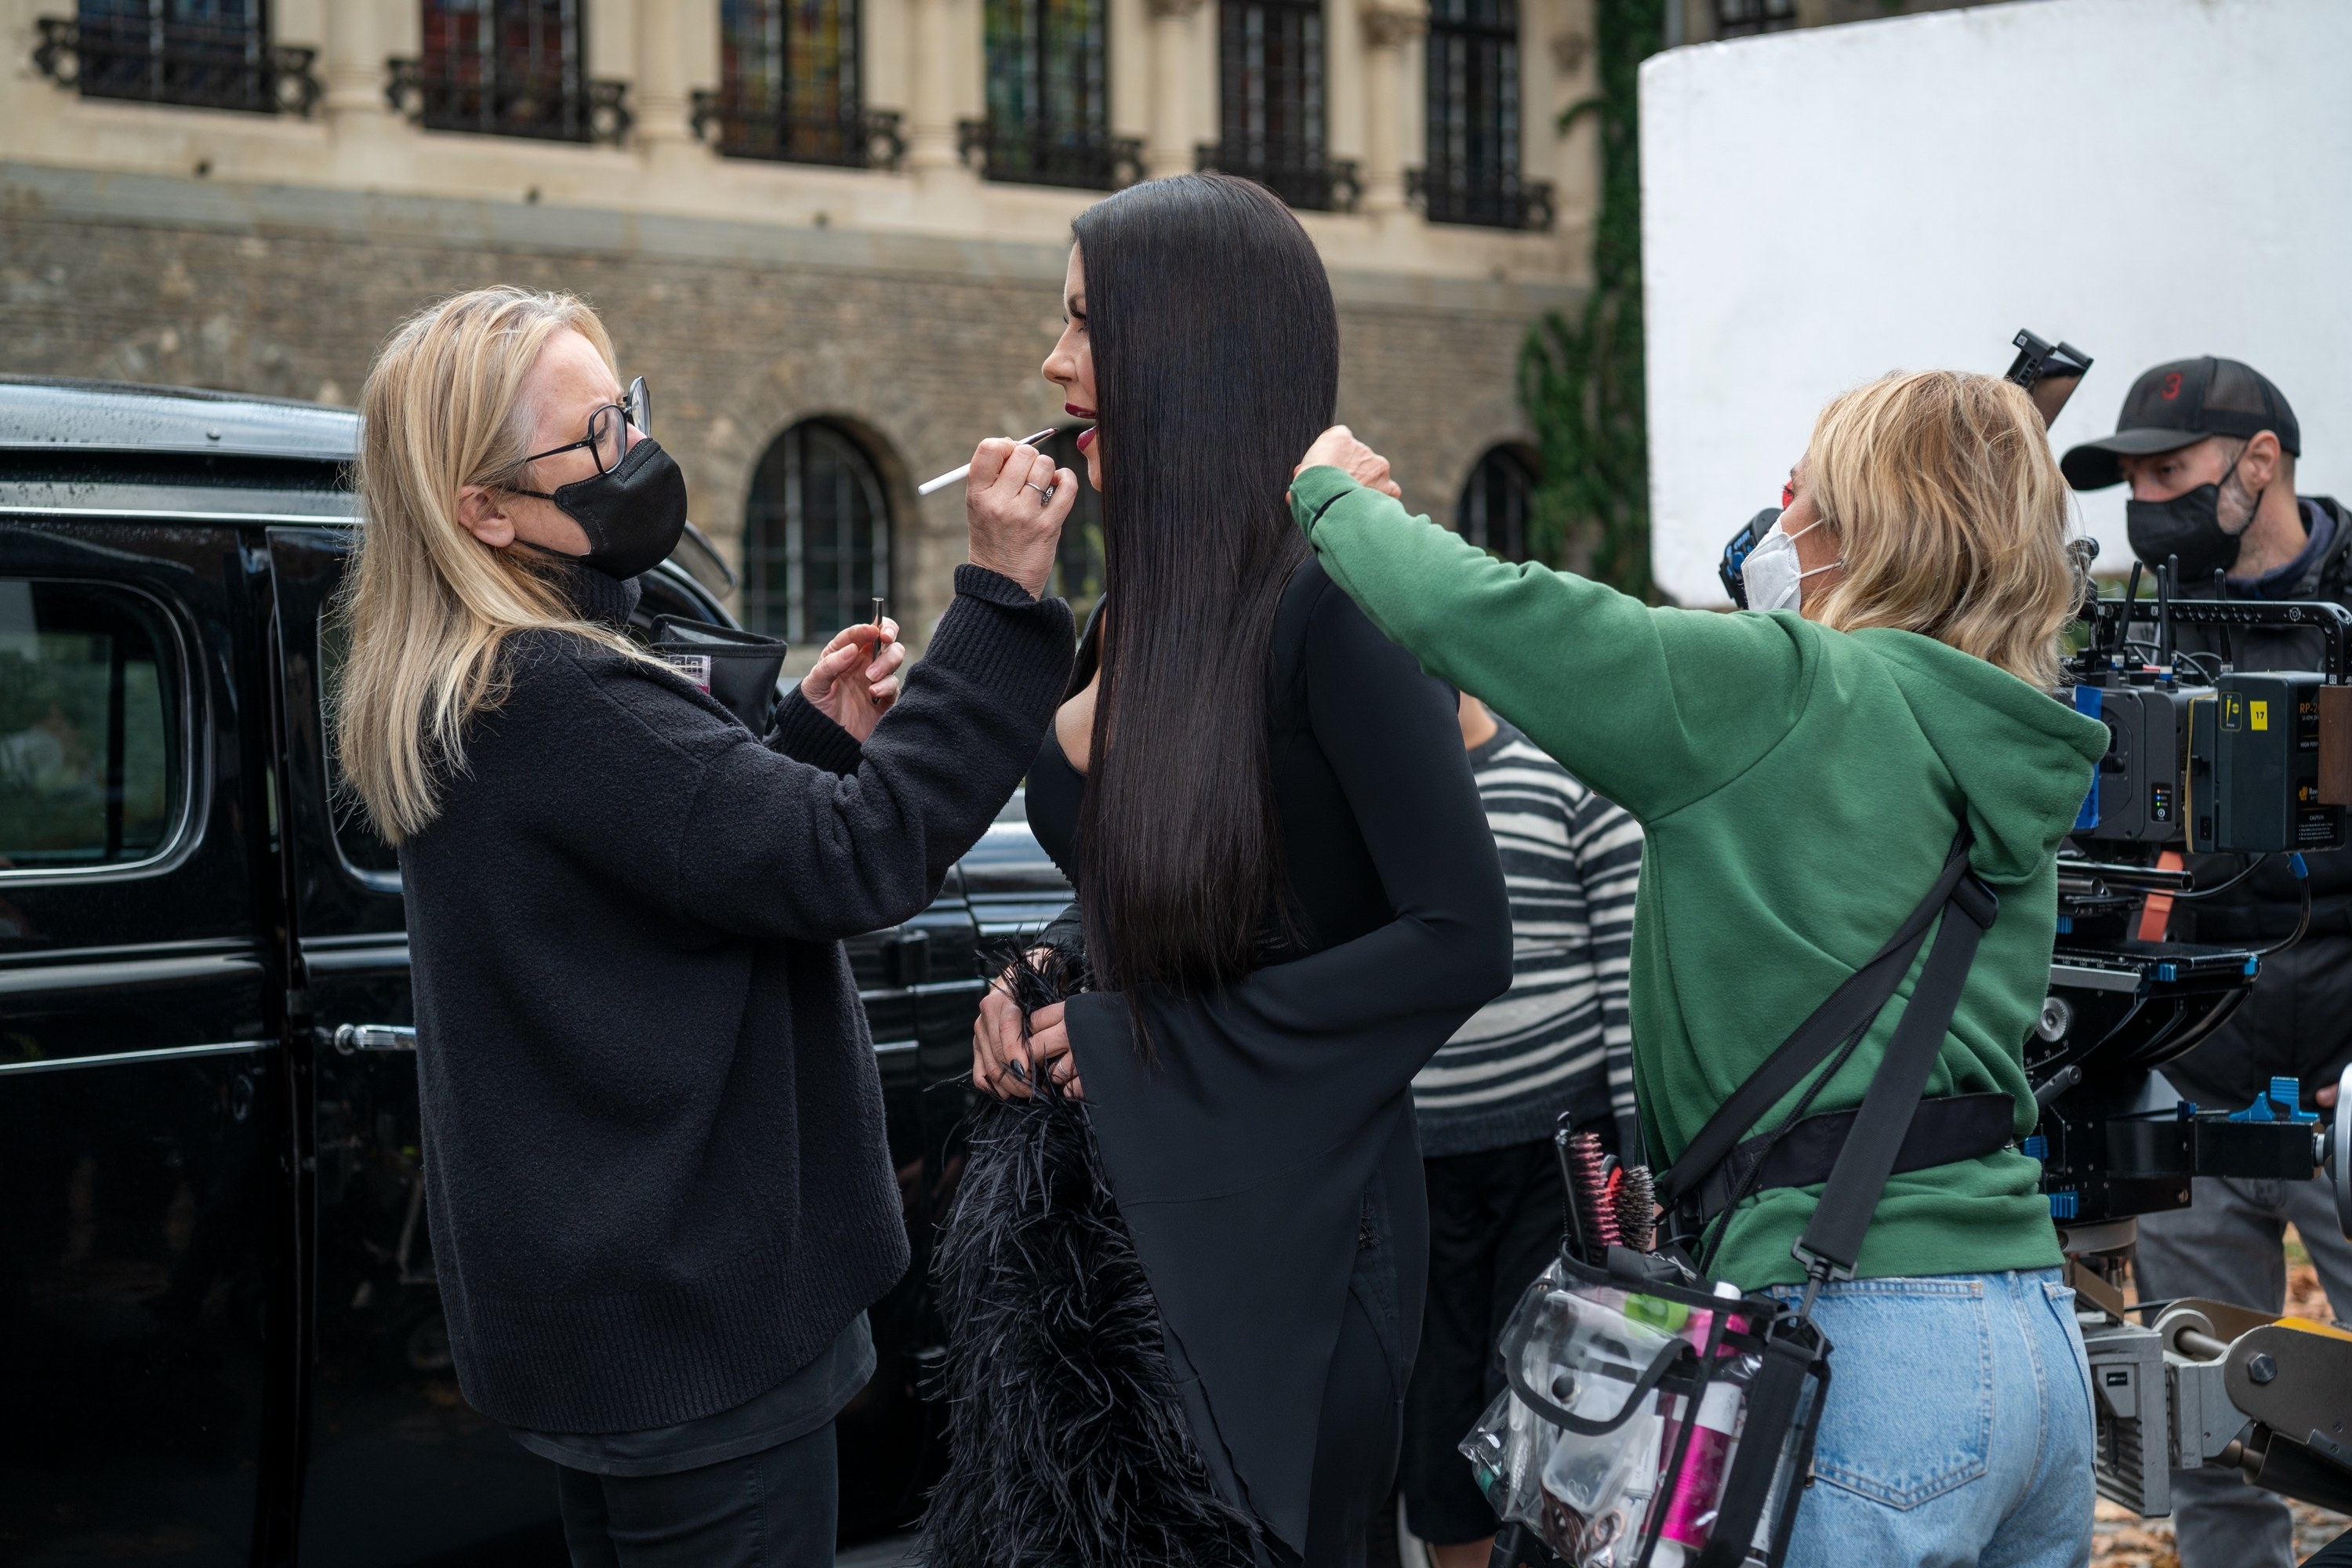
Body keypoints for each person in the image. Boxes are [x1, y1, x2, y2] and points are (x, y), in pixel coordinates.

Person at [1286, 369, 2106, 1568]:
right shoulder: (2015, 731)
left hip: (1856, 1343)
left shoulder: (1782, 688)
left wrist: (1332, 498)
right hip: (2030, 1329)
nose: (1781, 522)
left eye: (1803, 495)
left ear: (1863, 521)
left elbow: (1504, 618)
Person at [333, 285, 1077, 1566]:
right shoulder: (561, 692)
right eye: (593, 441)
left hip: (603, 1340)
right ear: (486, 509)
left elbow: (648, 884)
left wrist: (794, 742)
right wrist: (999, 602)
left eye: (625, 413)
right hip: (694, 1354)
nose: (632, 454)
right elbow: (855, 860)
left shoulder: (461, 676)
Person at [966, 173, 1514, 1568]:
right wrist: (1046, 976)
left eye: (1088, 326)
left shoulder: (1337, 602)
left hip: (1300, 1250)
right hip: (1129, 1242)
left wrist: (1154, 1038)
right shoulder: (1125, 612)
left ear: (1187, 348)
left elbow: (1459, 938)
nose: (1054, 362)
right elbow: (1170, 899)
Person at [2061, 356, 2352, 1568]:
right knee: (2207, 1429)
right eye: (2132, 481)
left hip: (2349, 1077)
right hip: (2195, 1077)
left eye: (2172, 472)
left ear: (2261, 461)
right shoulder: (2146, 622)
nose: (2150, 502)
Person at [1399, 694, 1642, 1568]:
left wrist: (1639, 1166)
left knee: (1555, 1407)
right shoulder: (1378, 800)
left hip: (1560, 1157)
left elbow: (1626, 974)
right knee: (1436, 1421)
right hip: (1419, 1162)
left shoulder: (1569, 780)